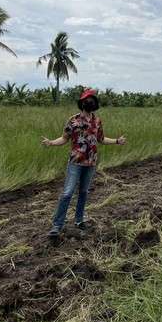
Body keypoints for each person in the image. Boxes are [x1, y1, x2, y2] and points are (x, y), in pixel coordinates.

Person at [41, 88, 126, 237]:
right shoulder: (73, 120)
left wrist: (117, 141)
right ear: (82, 103)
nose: (90, 102)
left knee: (84, 192)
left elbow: (101, 139)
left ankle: (79, 221)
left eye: (92, 99)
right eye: (88, 99)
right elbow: (64, 138)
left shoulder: (97, 121)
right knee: (67, 193)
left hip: (91, 163)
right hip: (76, 162)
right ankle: (57, 225)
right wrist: (51, 143)